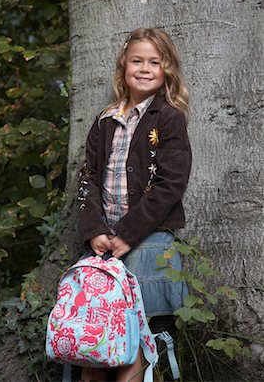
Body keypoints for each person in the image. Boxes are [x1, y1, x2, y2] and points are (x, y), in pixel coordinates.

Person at [77, 27, 192, 382]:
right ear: (123, 66)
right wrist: (96, 229)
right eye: (137, 60)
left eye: (154, 62)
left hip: (148, 239)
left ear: (167, 69)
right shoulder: (105, 120)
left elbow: (171, 184)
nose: (144, 68)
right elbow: (89, 179)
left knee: (133, 341)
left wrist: (128, 233)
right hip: (104, 242)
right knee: (91, 345)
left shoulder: (168, 118)